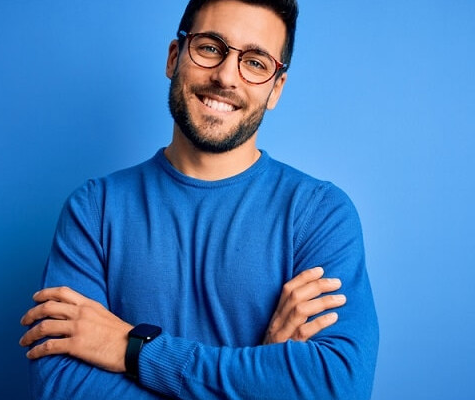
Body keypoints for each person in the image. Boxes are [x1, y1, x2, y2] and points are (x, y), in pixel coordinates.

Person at [19, 0, 379, 398]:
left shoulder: (318, 214)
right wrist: (259, 379)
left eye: (256, 63)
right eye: (210, 48)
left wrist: (133, 349)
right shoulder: (94, 209)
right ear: (174, 57)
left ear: (276, 88)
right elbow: (64, 389)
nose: (226, 76)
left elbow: (337, 386)